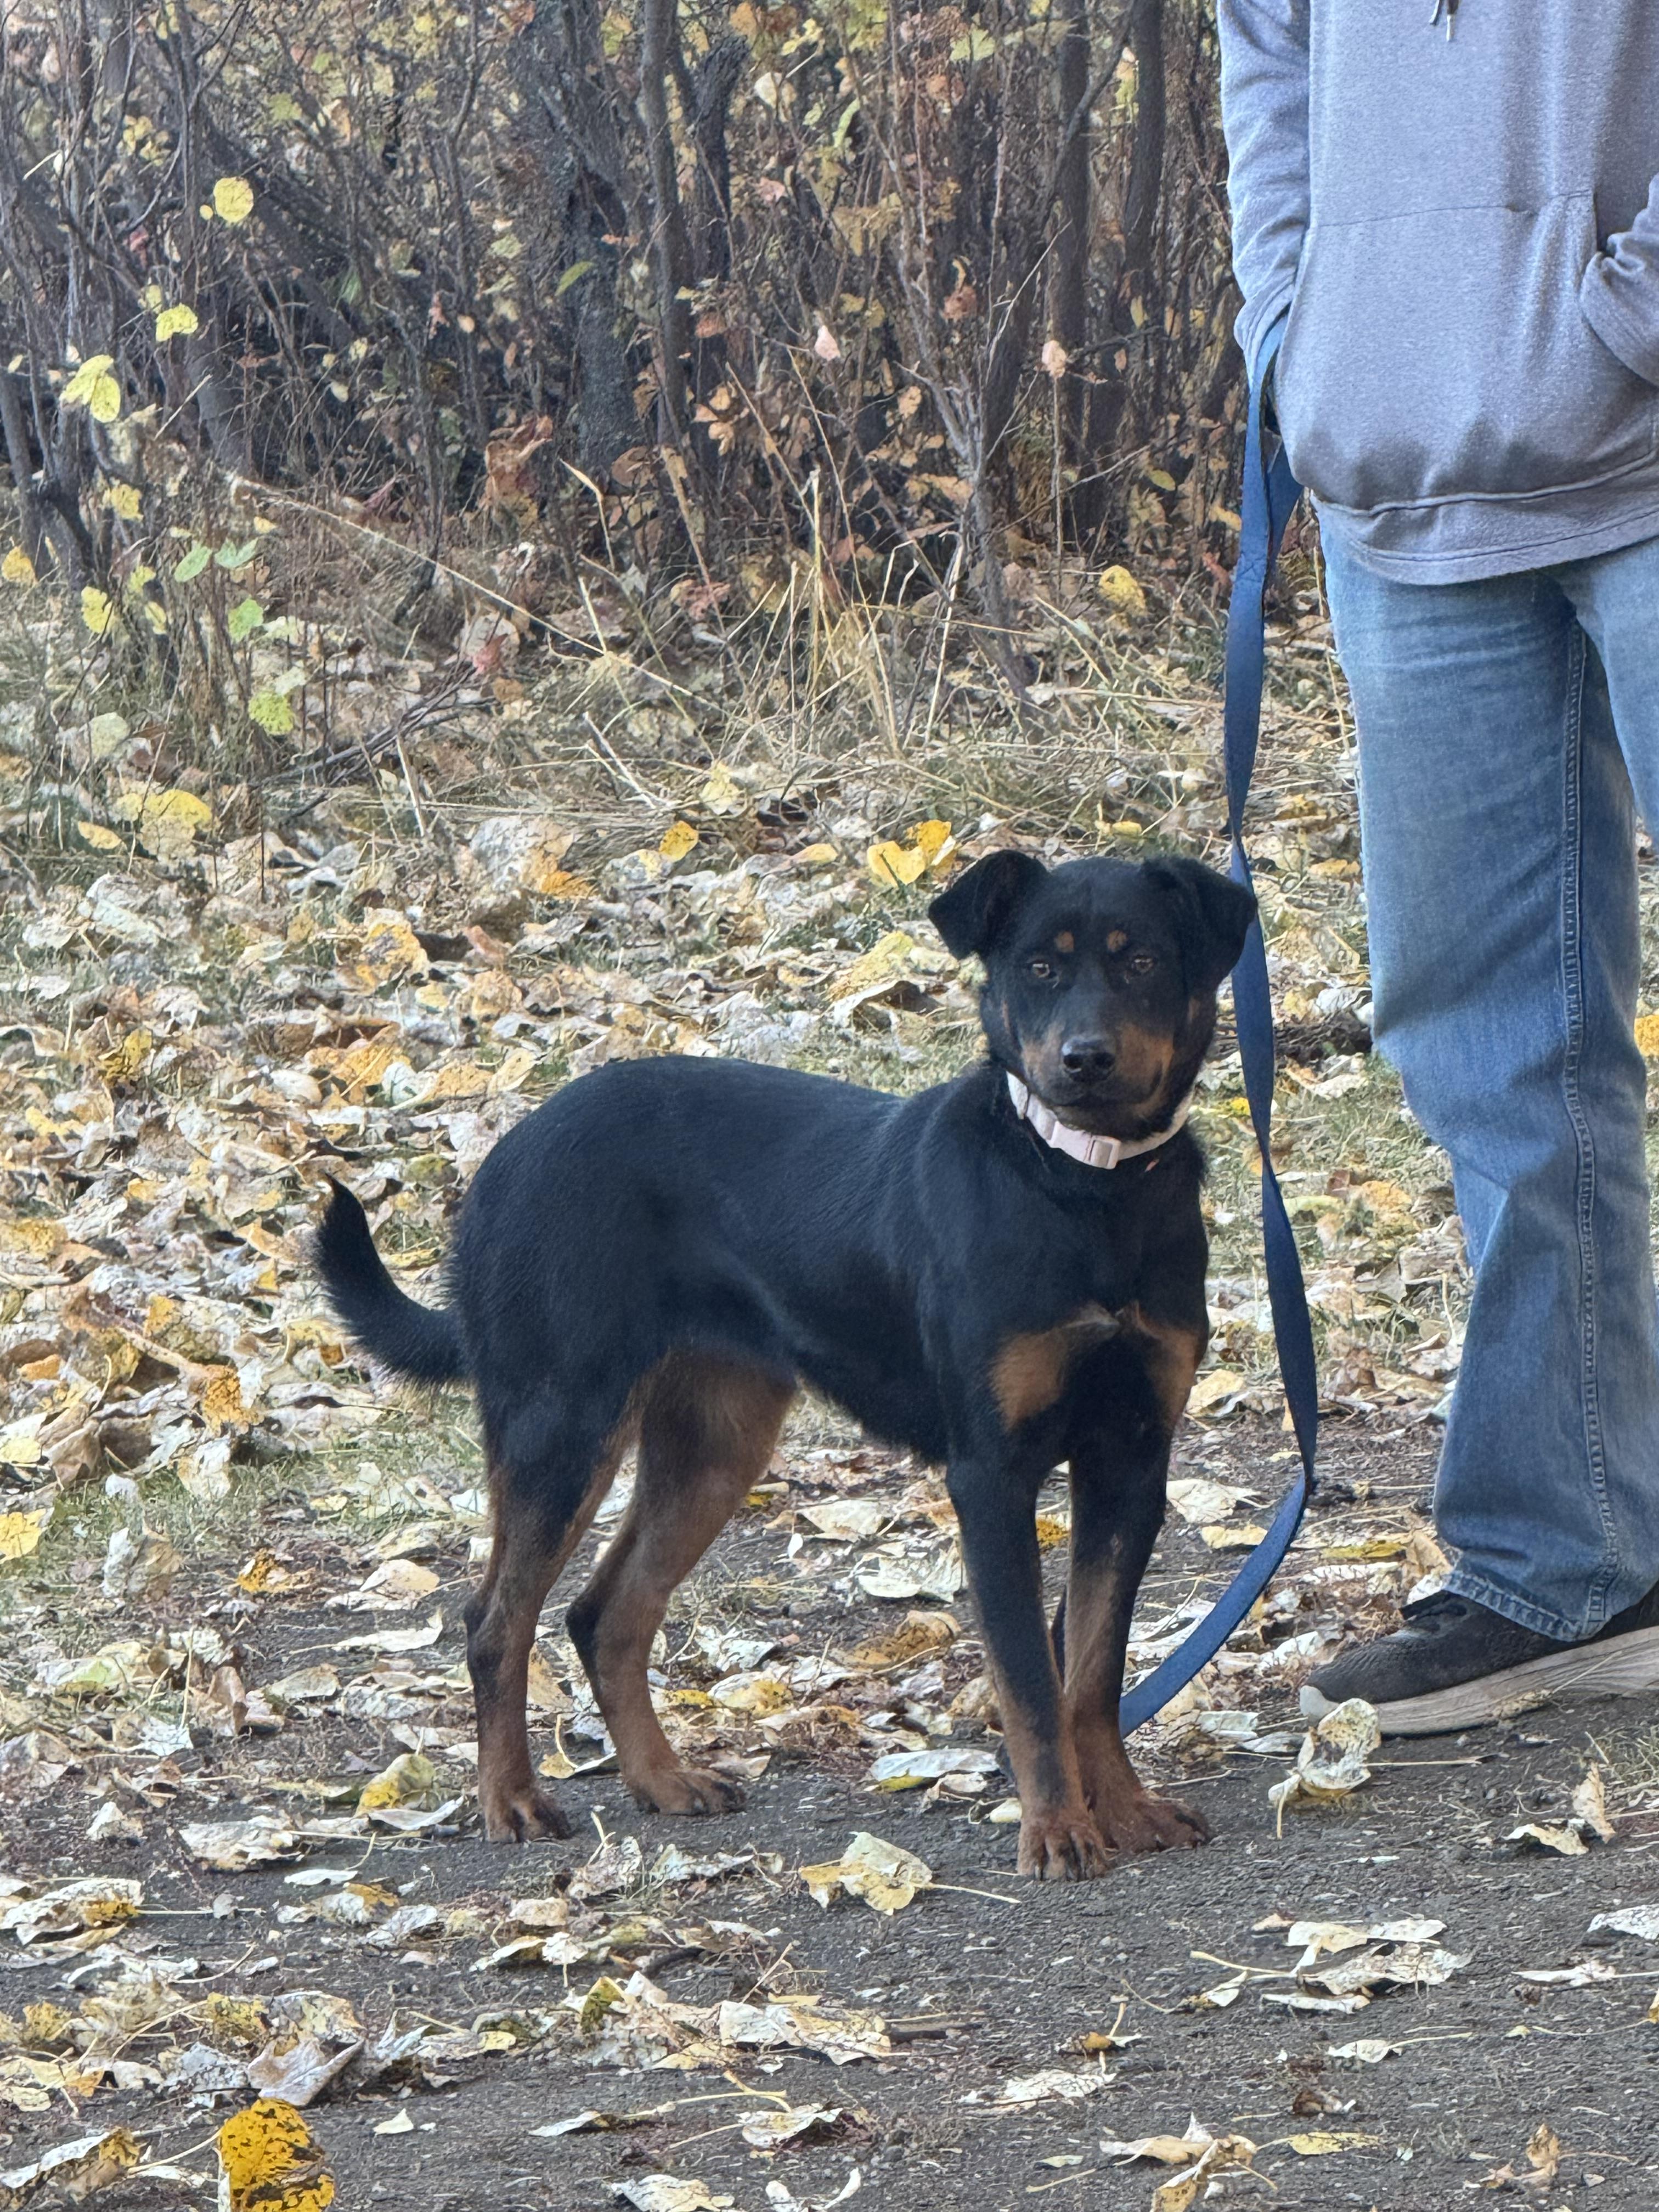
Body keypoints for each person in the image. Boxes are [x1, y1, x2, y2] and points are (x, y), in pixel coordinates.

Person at [1216, 1, 1659, 1734]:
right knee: (1492, 1047)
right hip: (1403, 494)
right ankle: (1569, 1564)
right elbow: (1267, 46)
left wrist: (1620, 318)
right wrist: (1298, 334)